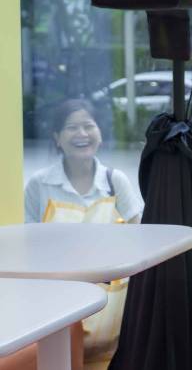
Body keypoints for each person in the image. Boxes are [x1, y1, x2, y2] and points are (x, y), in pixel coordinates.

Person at [23, 98, 143, 364]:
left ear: (99, 133)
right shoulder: (39, 185)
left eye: (88, 126)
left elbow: (141, 240)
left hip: (111, 311)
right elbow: (28, 250)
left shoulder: (115, 182)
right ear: (57, 137)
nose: (82, 134)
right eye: (71, 127)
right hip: (57, 311)